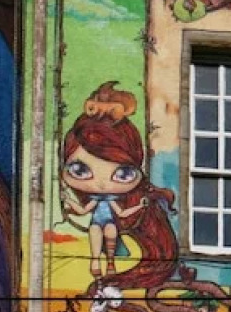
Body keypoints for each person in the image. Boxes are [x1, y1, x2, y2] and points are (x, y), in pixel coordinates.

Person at [59, 82, 177, 291]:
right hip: (98, 222)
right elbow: (82, 210)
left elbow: (123, 212)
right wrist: (68, 202)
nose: (103, 183)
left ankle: (110, 262)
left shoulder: (117, 202)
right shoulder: (96, 200)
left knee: (111, 236)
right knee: (96, 235)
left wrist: (140, 206)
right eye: (80, 170)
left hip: (111, 221)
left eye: (122, 173)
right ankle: (96, 261)